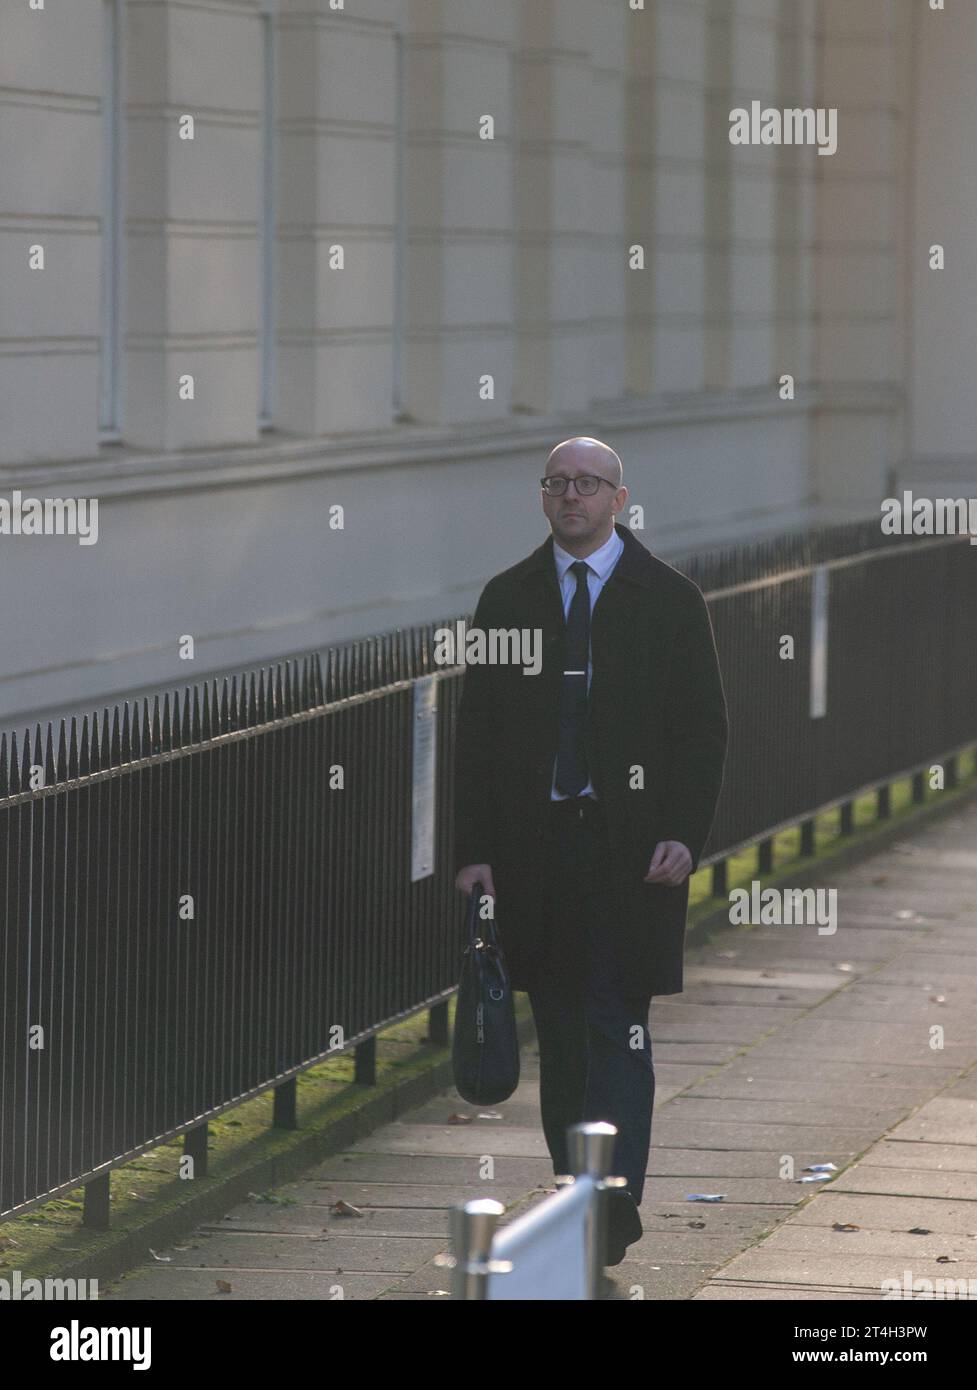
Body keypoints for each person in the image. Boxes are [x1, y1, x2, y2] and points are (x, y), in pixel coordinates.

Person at [453, 436, 729, 1266]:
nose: (570, 496)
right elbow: (480, 735)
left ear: (618, 497)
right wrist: (473, 851)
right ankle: (577, 1190)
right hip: (536, 854)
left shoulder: (668, 599)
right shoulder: (507, 599)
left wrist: (683, 832)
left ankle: (610, 1203)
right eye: (556, 484)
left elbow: (700, 730)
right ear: (543, 499)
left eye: (586, 484)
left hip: (631, 852)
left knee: (618, 1026)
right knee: (563, 1033)